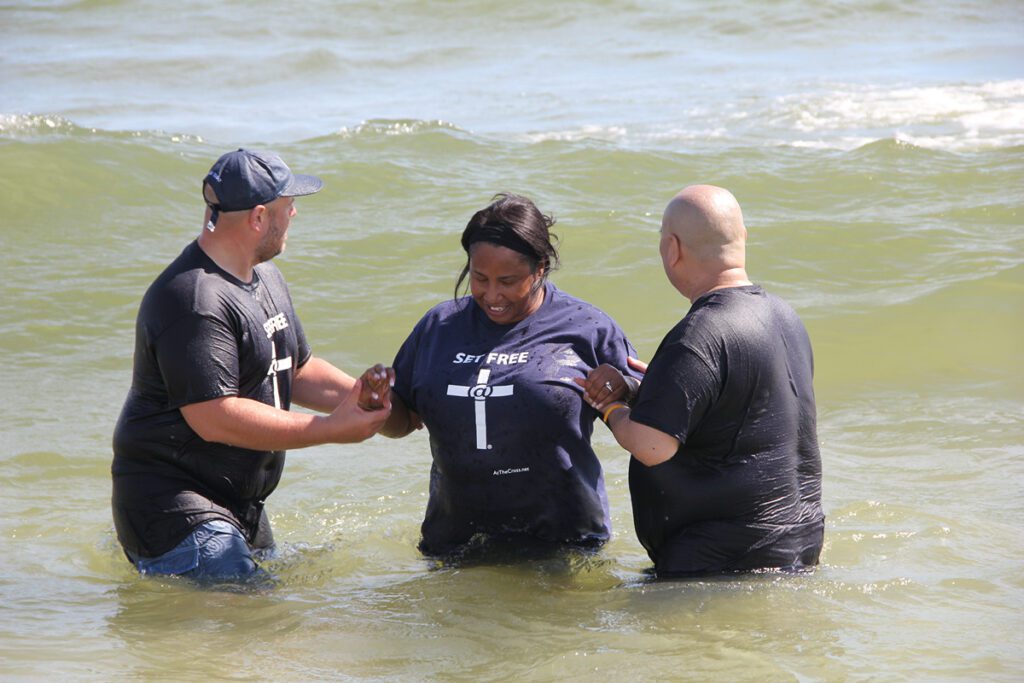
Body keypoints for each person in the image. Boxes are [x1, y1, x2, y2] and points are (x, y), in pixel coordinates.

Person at [111, 148, 393, 581]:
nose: (295, 214)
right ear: (259, 218)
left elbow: (294, 368)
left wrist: (366, 400)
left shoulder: (263, 277)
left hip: (236, 506)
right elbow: (215, 417)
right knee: (260, 623)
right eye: (288, 206)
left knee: (269, 617)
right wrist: (330, 430)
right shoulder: (193, 300)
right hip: (175, 508)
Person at [577, 185, 824, 577]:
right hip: (798, 543)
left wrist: (611, 407)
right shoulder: (784, 316)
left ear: (671, 248)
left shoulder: (700, 332)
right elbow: (738, 409)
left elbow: (653, 446)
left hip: (719, 561)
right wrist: (657, 389)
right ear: (742, 238)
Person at [378, 193, 642, 558]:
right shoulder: (438, 327)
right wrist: (376, 404)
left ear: (541, 268)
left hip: (564, 542)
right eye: (479, 277)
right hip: (456, 542)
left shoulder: (586, 328)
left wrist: (624, 386)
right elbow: (402, 421)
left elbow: (649, 419)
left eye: (508, 280)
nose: (491, 294)